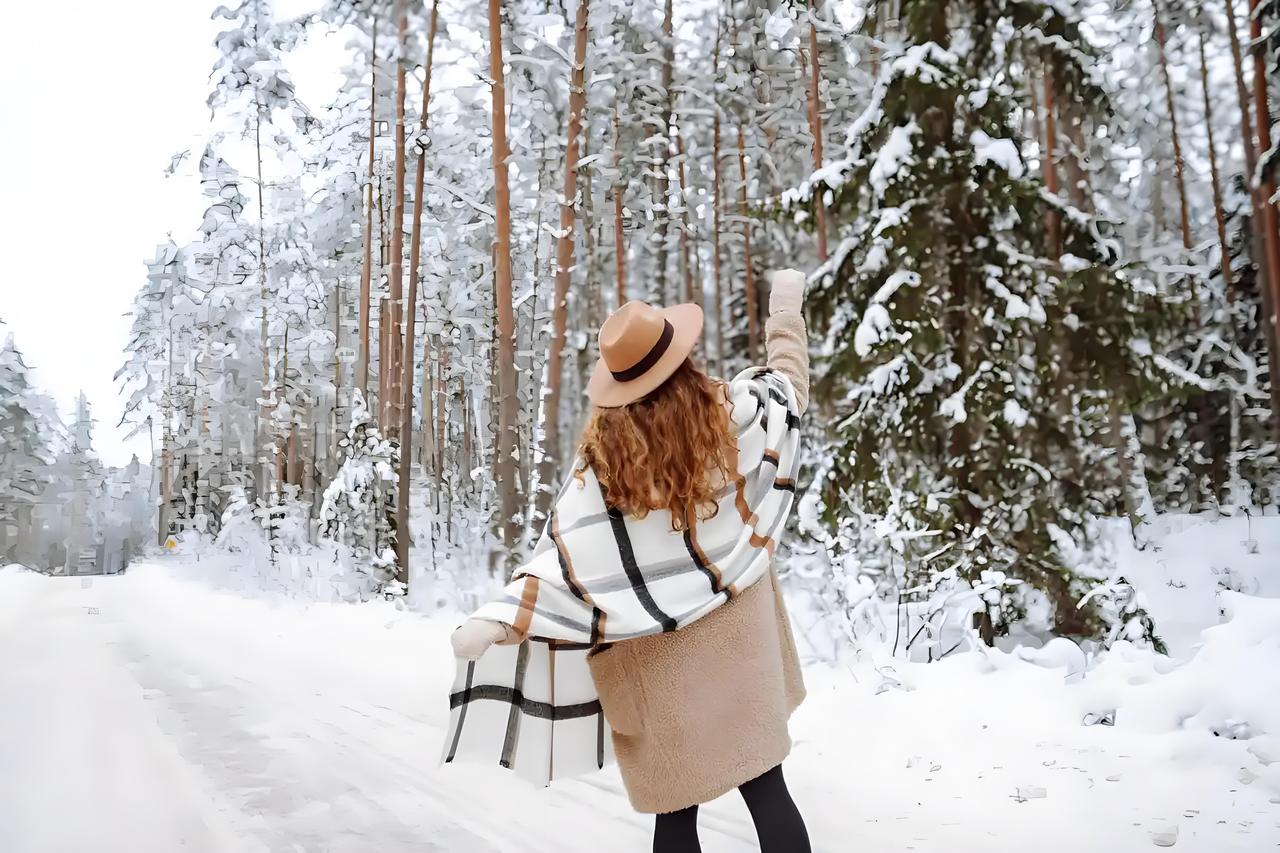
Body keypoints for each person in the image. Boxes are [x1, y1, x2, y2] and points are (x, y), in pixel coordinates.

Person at [446, 268, 812, 853]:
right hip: (738, 651)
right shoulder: (737, 418)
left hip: (658, 666)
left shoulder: (605, 468)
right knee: (768, 793)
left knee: (675, 816)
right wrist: (785, 311)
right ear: (683, 361)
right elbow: (789, 386)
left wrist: (502, 616)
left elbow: (564, 554)